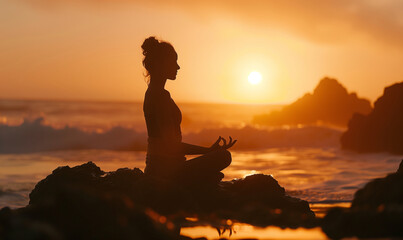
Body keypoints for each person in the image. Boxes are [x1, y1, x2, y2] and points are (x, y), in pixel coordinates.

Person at [141, 36, 236, 185]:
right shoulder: (158, 96)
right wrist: (208, 151)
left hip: (164, 167)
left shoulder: (156, 93)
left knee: (216, 169)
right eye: (174, 62)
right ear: (161, 64)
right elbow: (171, 147)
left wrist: (208, 150)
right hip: (165, 171)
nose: (178, 67)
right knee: (223, 157)